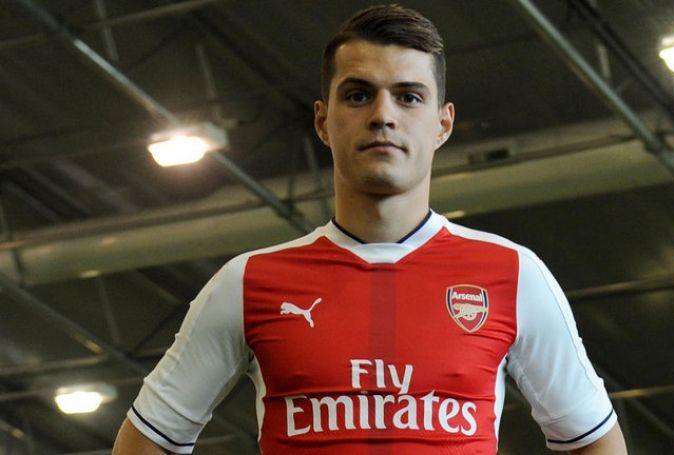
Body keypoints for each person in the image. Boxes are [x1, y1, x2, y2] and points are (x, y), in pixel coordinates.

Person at [113, 4, 627, 454]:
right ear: (322, 121)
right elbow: (146, 439)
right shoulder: (248, 283)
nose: (383, 115)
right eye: (359, 95)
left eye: (409, 97)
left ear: (443, 124)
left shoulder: (513, 275)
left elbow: (595, 440)